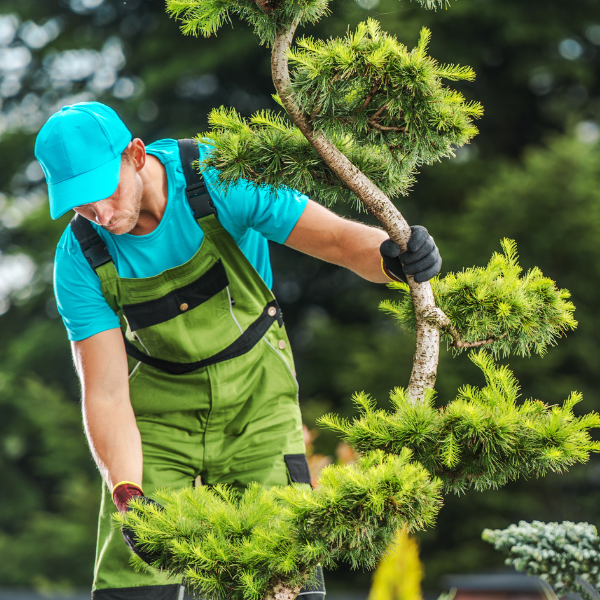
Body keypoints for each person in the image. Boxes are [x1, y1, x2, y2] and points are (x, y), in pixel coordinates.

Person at [35, 101, 441, 600]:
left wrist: (392, 257)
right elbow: (106, 393)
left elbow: (335, 240)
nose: (97, 213)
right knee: (134, 586)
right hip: (157, 423)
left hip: (257, 403)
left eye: (102, 192)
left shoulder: (219, 176)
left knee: (279, 575)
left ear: (136, 155)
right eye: (78, 205)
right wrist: (128, 494)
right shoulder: (80, 256)